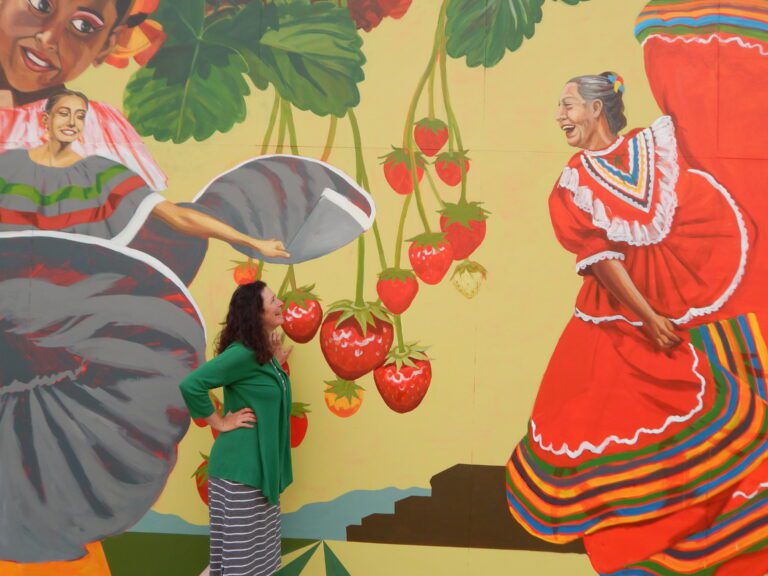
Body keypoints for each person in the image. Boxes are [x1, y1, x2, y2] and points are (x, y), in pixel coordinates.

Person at [505, 72, 768, 575]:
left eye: (568, 105)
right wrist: (650, 318)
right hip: (617, 321)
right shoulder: (574, 183)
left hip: (678, 309)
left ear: (597, 109)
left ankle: (702, 523)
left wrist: (686, 292)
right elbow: (601, 260)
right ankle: (642, 535)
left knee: (704, 399)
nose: (560, 115)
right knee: (599, 415)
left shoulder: (655, 147)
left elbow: (698, 207)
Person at [0, 88, 289, 259]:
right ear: (46, 119)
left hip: (65, 298)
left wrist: (252, 242)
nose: (72, 122)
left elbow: (178, 216)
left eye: (80, 116)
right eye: (64, 113)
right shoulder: (9, 164)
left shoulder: (100, 173)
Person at [179, 281, 293, 576]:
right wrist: (218, 422)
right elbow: (191, 384)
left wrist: (275, 363)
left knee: (243, 563)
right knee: (238, 566)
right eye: (273, 300)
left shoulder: (257, 355)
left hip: (255, 473)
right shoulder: (242, 353)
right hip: (239, 474)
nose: (280, 303)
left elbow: (260, 392)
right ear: (257, 313)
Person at [0, 0, 168, 189]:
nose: (48, 39)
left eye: (83, 26)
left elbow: (142, 209)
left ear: (106, 46)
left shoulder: (97, 128)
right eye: (40, 5)